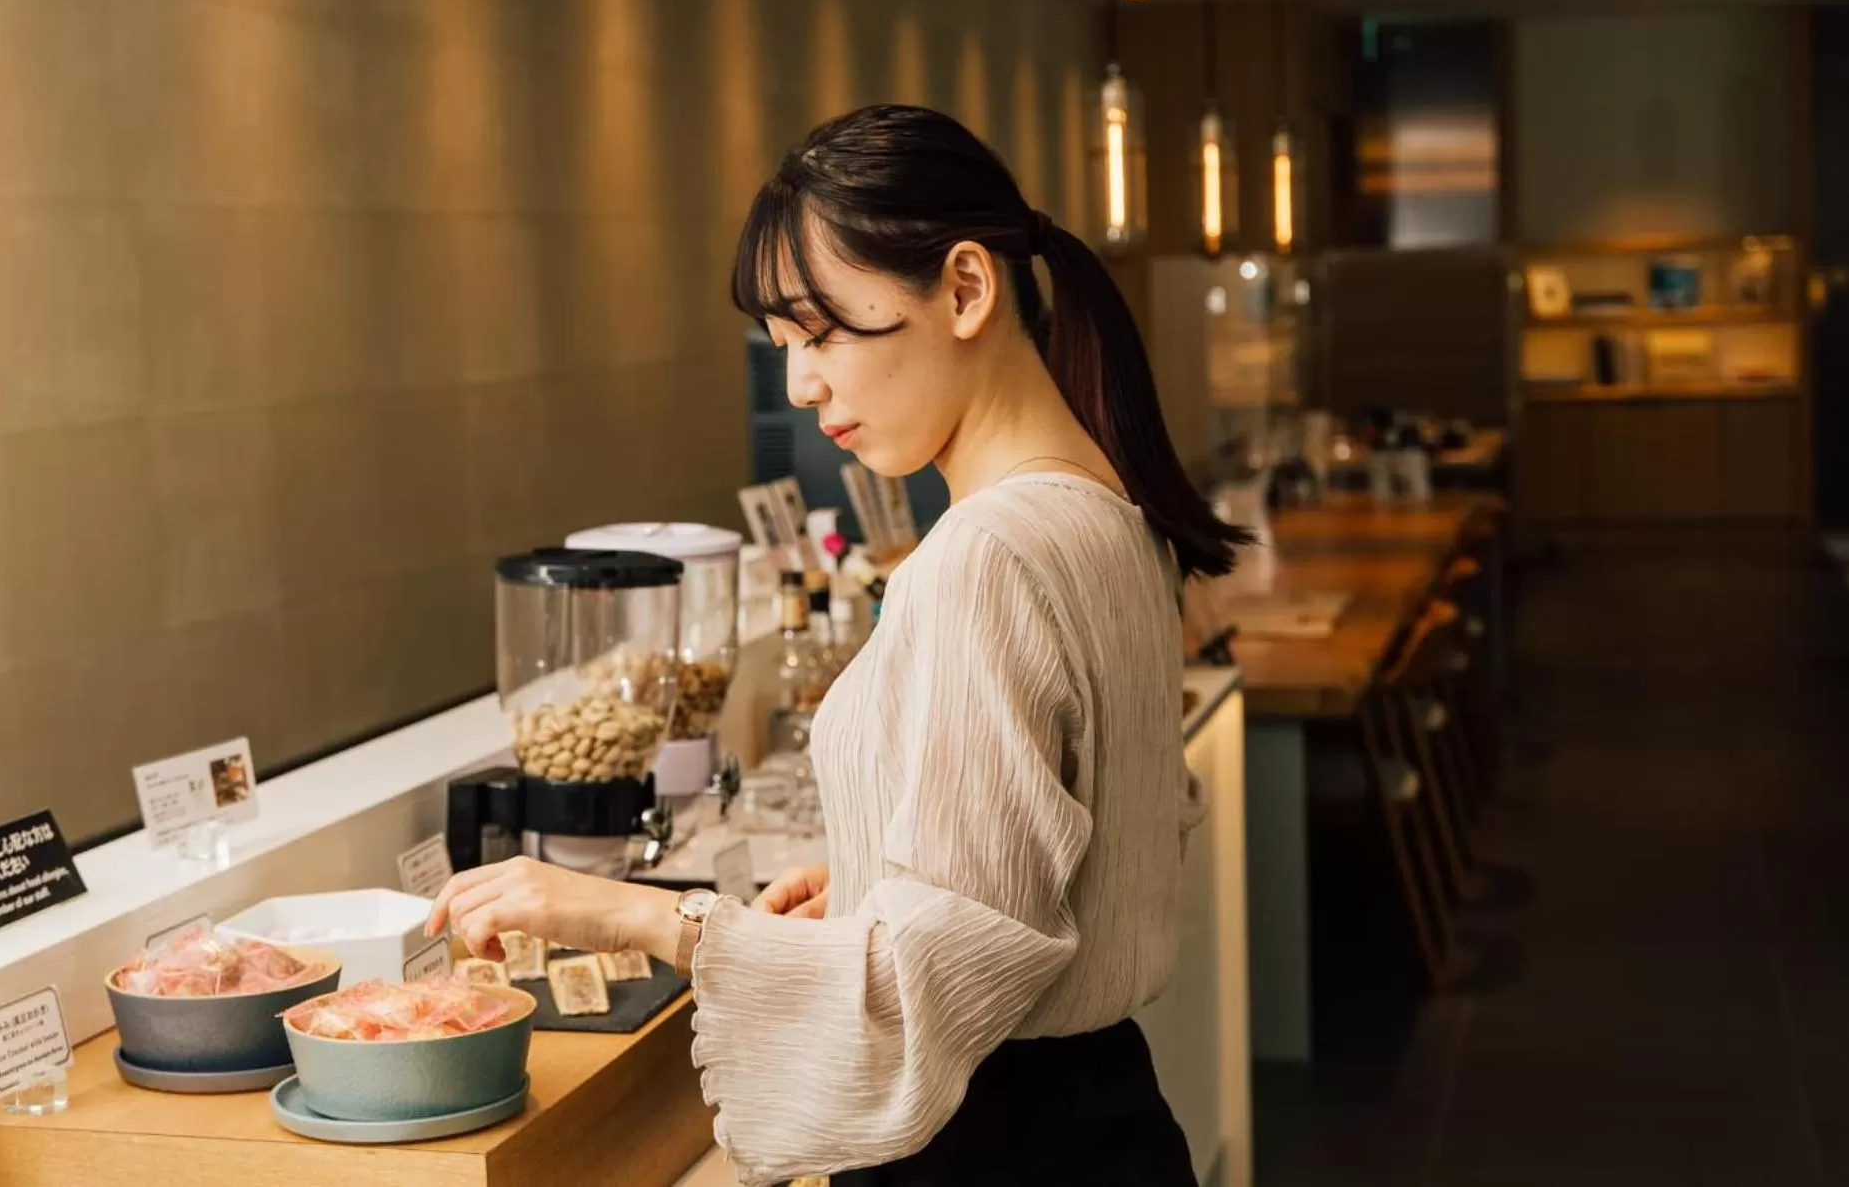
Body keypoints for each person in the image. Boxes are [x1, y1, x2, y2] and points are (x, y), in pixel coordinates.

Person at [426, 104, 1248, 1185]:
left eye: (819, 335)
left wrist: (635, 913)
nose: (800, 385)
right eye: (782, 348)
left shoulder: (985, 554)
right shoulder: (1106, 512)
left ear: (964, 288)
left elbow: (936, 977)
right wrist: (873, 866)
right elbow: (1077, 851)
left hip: (990, 1149)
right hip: (1101, 1124)